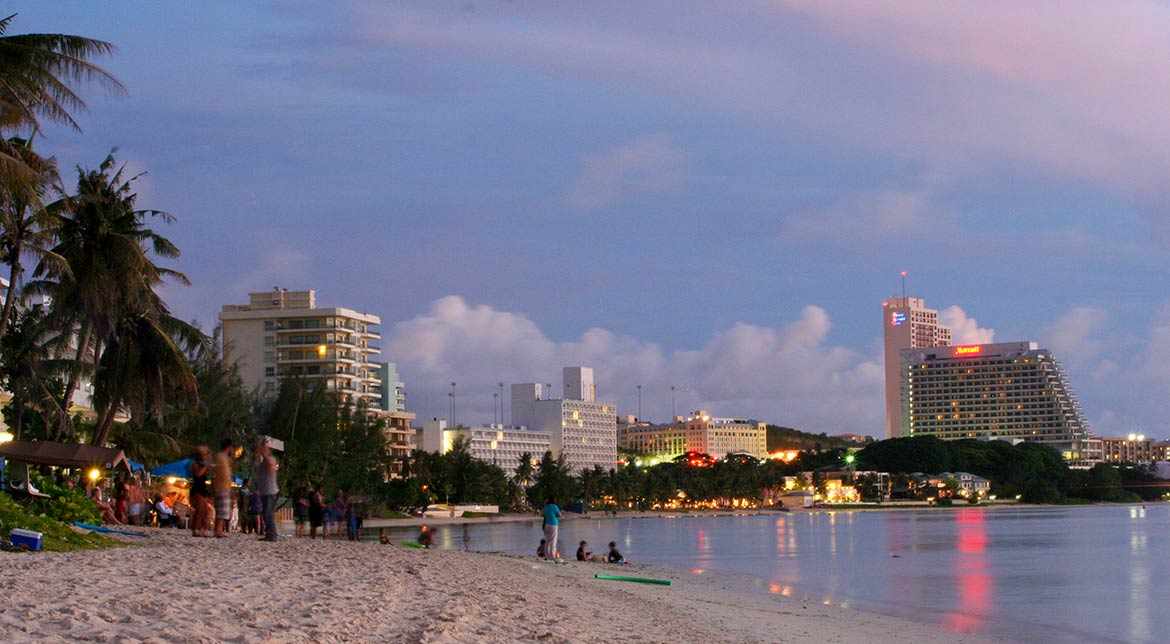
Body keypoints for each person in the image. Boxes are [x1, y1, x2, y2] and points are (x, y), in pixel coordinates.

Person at [253, 440, 280, 542]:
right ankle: (270, 533)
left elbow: (271, 468)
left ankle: (272, 534)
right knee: (266, 513)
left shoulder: (270, 459)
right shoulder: (263, 461)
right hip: (265, 491)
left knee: (268, 514)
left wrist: (264, 454)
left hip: (270, 491)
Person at [212, 438, 235, 538]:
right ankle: (218, 530)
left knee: (223, 509)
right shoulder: (220, 457)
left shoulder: (224, 458)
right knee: (222, 509)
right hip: (221, 486)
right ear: (229, 447)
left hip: (224, 486)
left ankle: (218, 529)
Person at [189, 447, 212, 537]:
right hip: (197, 489)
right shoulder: (195, 464)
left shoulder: (203, 464)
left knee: (205, 511)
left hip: (202, 489)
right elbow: (198, 474)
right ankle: (195, 529)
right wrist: (206, 466)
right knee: (199, 511)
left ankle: (202, 529)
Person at [542, 495, 561, 560]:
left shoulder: (546, 507)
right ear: (554, 500)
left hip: (547, 524)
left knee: (547, 540)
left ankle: (547, 555)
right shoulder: (554, 506)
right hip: (553, 524)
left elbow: (542, 514)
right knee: (553, 540)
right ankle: (552, 556)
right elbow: (559, 515)